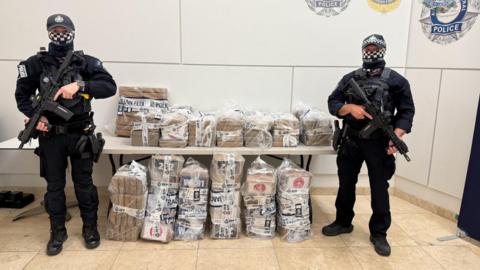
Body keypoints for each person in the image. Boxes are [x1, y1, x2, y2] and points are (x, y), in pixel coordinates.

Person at [14, 14, 116, 256]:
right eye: (55, 29)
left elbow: (109, 86)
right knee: (54, 187)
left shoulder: (86, 62)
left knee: (85, 185)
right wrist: (35, 116)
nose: (60, 33)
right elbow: (22, 96)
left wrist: (80, 86)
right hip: (51, 137)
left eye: (64, 29)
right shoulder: (34, 64)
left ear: (72, 31)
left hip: (80, 134)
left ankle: (90, 228)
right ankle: (57, 232)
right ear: (49, 32)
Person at [323, 34, 415, 256]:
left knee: (379, 188)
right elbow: (333, 101)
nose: (371, 51)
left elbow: (406, 111)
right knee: (346, 183)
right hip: (352, 139)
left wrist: (397, 136)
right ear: (363, 50)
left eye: (375, 48)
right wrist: (349, 109)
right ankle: (343, 222)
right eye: (368, 48)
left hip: (379, 142)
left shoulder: (397, 80)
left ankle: (379, 233)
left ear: (383, 50)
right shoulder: (349, 79)